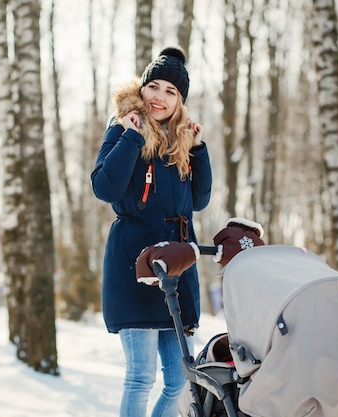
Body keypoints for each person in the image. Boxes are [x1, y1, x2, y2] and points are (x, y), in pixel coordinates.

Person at [91, 46, 212, 417]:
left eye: (170, 92)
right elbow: (104, 188)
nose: (159, 97)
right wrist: (130, 137)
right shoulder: (123, 129)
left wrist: (199, 148)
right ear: (142, 90)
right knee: (140, 377)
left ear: (180, 101)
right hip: (136, 266)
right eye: (154, 87)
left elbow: (199, 200)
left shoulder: (181, 141)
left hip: (175, 267)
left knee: (178, 381)